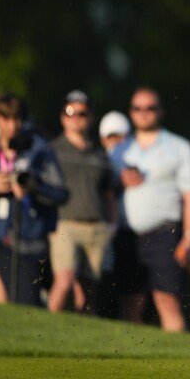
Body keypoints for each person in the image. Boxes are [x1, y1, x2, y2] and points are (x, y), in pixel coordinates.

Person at [111, 87, 190, 332]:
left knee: (167, 301)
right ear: (131, 113)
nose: (143, 113)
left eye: (150, 108)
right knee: (130, 305)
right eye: (137, 108)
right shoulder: (119, 150)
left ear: (160, 111)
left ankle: (176, 368)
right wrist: (120, 181)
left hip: (165, 235)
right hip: (127, 236)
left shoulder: (180, 147)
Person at [0, 92, 68, 305]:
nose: (12, 126)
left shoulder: (40, 150)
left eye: (17, 119)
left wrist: (34, 189)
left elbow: (61, 193)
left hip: (29, 241)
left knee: (25, 303)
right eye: (6, 119)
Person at [47, 90, 117, 313]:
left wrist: (112, 224)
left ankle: (78, 340)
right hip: (64, 224)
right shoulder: (53, 150)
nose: (76, 117)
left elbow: (109, 193)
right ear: (62, 117)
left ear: (91, 117)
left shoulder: (99, 154)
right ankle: (44, 332)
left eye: (82, 113)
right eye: (70, 112)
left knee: (88, 292)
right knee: (65, 280)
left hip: (96, 227)